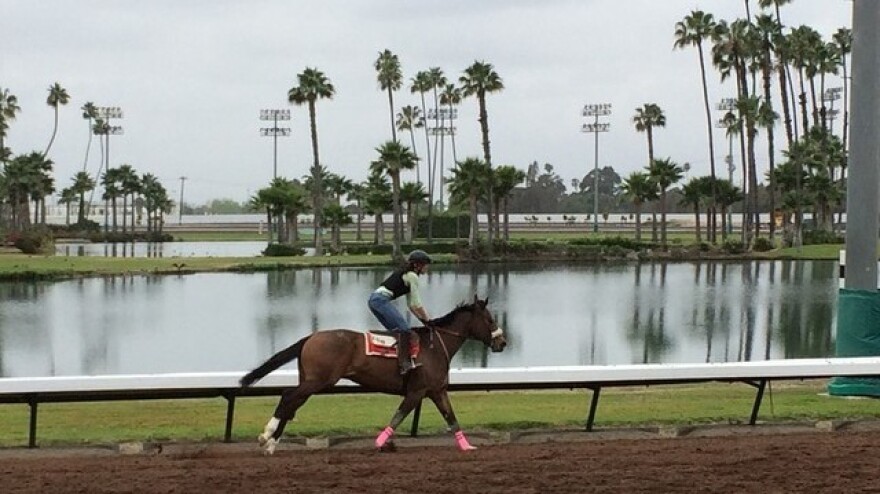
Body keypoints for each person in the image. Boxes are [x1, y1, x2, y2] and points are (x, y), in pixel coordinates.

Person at [368, 250, 432, 375]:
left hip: (374, 300)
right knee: (404, 330)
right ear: (417, 265)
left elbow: (411, 306)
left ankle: (392, 361)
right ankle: (404, 365)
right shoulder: (412, 276)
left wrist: (423, 321)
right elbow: (417, 304)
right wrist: (429, 321)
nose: (427, 267)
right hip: (380, 301)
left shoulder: (408, 275)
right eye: (425, 264)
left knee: (397, 331)